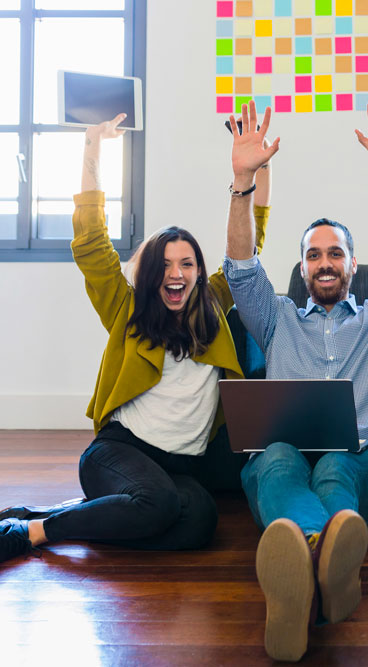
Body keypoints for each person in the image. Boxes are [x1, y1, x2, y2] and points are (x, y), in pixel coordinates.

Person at [0, 111, 274, 563]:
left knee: (201, 521)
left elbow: (251, 242)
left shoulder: (213, 302)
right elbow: (91, 244)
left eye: (187, 263)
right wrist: (93, 148)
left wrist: (256, 169)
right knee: (159, 506)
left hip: (180, 465)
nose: (176, 273)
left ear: (200, 272)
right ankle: (34, 532)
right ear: (150, 274)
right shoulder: (127, 310)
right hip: (118, 453)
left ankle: (75, 516)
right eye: (165, 264)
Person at [223, 98, 368, 662]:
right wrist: (243, 181)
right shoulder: (276, 316)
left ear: (354, 265)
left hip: (363, 466)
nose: (325, 262)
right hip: (285, 459)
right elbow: (240, 267)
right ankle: (324, 556)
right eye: (314, 255)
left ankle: (301, 564)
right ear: (303, 267)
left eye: (336, 253)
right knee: (278, 454)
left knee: (337, 460)